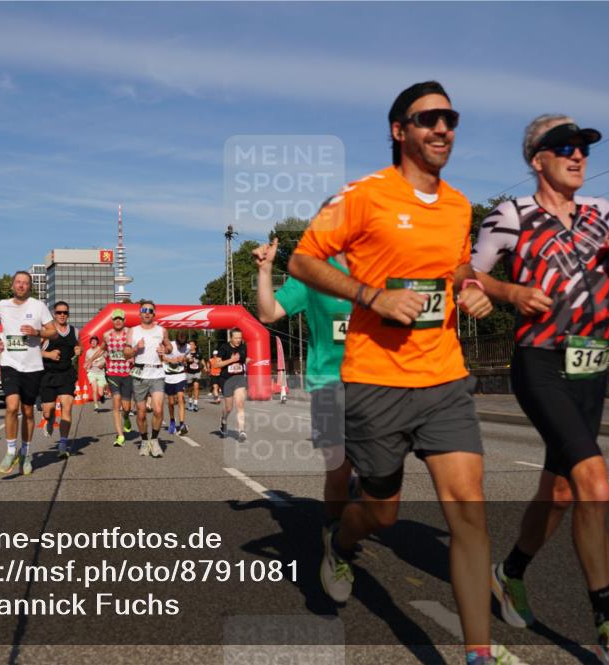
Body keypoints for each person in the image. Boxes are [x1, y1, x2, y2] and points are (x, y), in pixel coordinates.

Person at [288, 81, 503, 665]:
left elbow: (456, 267)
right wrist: (372, 296)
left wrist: (471, 288)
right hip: (376, 380)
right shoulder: (363, 195)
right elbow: (302, 258)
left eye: (450, 119)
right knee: (382, 512)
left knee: (469, 509)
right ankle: (340, 539)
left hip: (444, 378)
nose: (442, 128)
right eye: (428, 119)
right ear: (399, 130)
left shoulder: (458, 205)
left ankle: (479, 653)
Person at [471, 115, 609, 665]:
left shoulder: (602, 213)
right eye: (564, 147)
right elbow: (464, 275)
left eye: (583, 149)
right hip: (540, 362)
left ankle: (509, 574)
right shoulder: (511, 215)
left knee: (565, 490)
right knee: (595, 482)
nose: (577, 156)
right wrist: (510, 293)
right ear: (537, 159)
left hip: (592, 364)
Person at [254, 236, 355, 542]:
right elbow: (268, 313)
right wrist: (265, 270)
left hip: (378, 381)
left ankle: (359, 495)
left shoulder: (384, 266)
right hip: (329, 383)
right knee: (338, 468)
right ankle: (335, 540)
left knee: (381, 475)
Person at [0, 270, 56, 476]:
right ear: (12, 285)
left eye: (25, 283)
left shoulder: (38, 306)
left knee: (28, 412)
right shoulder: (2, 305)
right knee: (11, 407)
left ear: (30, 287)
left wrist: (37, 332)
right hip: (10, 363)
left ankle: (26, 453)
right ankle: (11, 452)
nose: (21, 285)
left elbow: (53, 331)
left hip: (32, 366)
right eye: (18, 282)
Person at [123, 299, 171, 458]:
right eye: (144, 310)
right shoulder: (133, 331)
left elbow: (169, 346)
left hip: (157, 373)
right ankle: (144, 441)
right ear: (140, 313)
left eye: (150, 310)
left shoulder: (161, 330)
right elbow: (126, 354)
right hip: (140, 374)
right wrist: (136, 348)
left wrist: (165, 349)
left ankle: (154, 440)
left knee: (158, 410)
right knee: (141, 413)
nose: (147, 313)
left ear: (154, 313)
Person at [40, 301, 81, 458]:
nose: (62, 315)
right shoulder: (47, 332)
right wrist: (48, 354)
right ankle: (49, 420)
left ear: (68, 314)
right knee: (48, 411)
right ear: (53, 314)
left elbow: (79, 347)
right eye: (59, 312)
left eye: (65, 312)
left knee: (67, 407)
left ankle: (63, 444)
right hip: (48, 374)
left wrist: (79, 350)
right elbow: (32, 351)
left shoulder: (74, 332)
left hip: (66, 374)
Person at [211, 328, 249, 442]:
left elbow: (244, 359)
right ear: (231, 338)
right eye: (236, 338)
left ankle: (241, 431)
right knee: (228, 408)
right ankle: (224, 420)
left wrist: (247, 361)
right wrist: (231, 360)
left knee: (240, 404)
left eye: (240, 338)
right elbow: (216, 364)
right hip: (226, 379)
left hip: (239, 378)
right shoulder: (224, 348)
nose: (238, 340)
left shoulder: (243, 347)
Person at [103, 308, 133, 447]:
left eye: (120, 318)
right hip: (113, 373)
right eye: (116, 319)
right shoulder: (106, 335)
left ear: (124, 320)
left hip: (127, 374)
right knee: (116, 400)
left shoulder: (130, 333)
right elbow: (102, 349)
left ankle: (126, 417)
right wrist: (90, 360)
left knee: (126, 407)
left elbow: (137, 349)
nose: (118, 321)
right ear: (112, 321)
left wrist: (133, 355)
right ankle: (120, 436)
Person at [164, 332, 190, 436]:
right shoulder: (170, 346)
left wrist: (185, 359)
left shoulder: (187, 347)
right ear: (176, 341)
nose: (180, 347)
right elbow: (161, 357)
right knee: (171, 402)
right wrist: (170, 360)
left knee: (180, 398)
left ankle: (182, 424)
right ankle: (172, 421)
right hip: (168, 377)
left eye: (182, 345)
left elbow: (189, 358)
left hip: (180, 376)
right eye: (179, 345)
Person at [85, 336, 107, 412]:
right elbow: (86, 361)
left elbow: (106, 360)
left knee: (100, 393)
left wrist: (103, 365)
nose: (93, 342)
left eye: (95, 341)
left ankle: (102, 396)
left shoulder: (101, 350)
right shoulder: (88, 352)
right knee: (94, 389)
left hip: (100, 373)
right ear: (90, 343)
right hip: (92, 372)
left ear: (97, 342)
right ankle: (96, 406)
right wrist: (88, 365)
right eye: (92, 341)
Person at [185, 340, 203, 412]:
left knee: (196, 387)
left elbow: (202, 360)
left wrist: (205, 367)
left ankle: (195, 404)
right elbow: (184, 360)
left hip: (197, 372)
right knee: (190, 388)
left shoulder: (199, 353)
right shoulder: (186, 353)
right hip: (189, 372)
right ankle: (190, 402)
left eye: (192, 344)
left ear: (195, 346)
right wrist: (187, 360)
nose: (190, 346)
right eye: (189, 344)